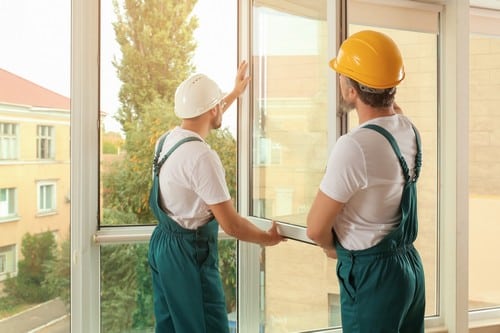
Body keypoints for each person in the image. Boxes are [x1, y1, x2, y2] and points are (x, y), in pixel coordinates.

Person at [148, 60, 284, 333]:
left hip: (162, 247)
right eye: (219, 104)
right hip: (189, 255)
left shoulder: (167, 141)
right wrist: (267, 239)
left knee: (172, 326)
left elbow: (207, 112)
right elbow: (231, 224)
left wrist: (233, 94)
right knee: (208, 327)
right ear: (213, 109)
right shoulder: (202, 157)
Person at [306, 30, 425, 332]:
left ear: (351, 90)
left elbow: (316, 228)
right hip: (408, 267)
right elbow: (393, 112)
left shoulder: (355, 146)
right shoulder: (408, 129)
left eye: (342, 77)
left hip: (372, 277)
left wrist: (332, 248)